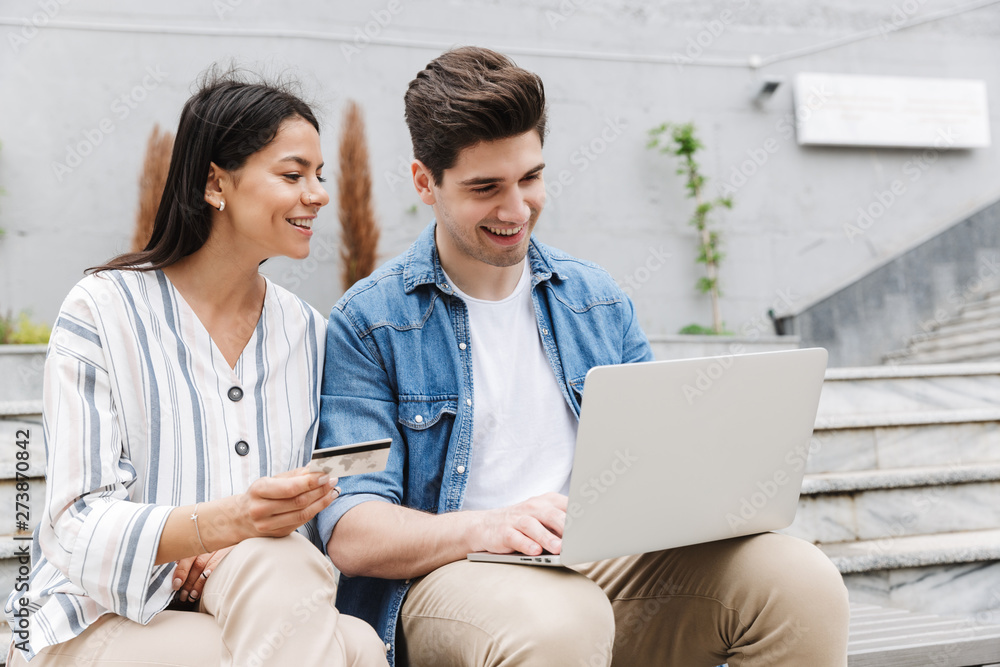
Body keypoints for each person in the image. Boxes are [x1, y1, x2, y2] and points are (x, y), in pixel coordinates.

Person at [317, 47, 851, 666]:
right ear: (424, 182)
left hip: (601, 570)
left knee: (799, 578)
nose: (516, 211)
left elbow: (662, 455)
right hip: (453, 581)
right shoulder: (366, 321)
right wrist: (487, 527)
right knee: (561, 621)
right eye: (485, 188)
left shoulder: (597, 300)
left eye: (530, 178)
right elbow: (351, 529)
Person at [4, 69, 388, 667]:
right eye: (292, 174)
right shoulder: (103, 311)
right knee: (349, 649)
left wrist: (256, 530)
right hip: (96, 615)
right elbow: (76, 521)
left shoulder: (309, 333)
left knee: (329, 611)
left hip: (253, 595)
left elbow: (309, 518)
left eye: (319, 175)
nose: (317, 194)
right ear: (216, 182)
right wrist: (213, 526)